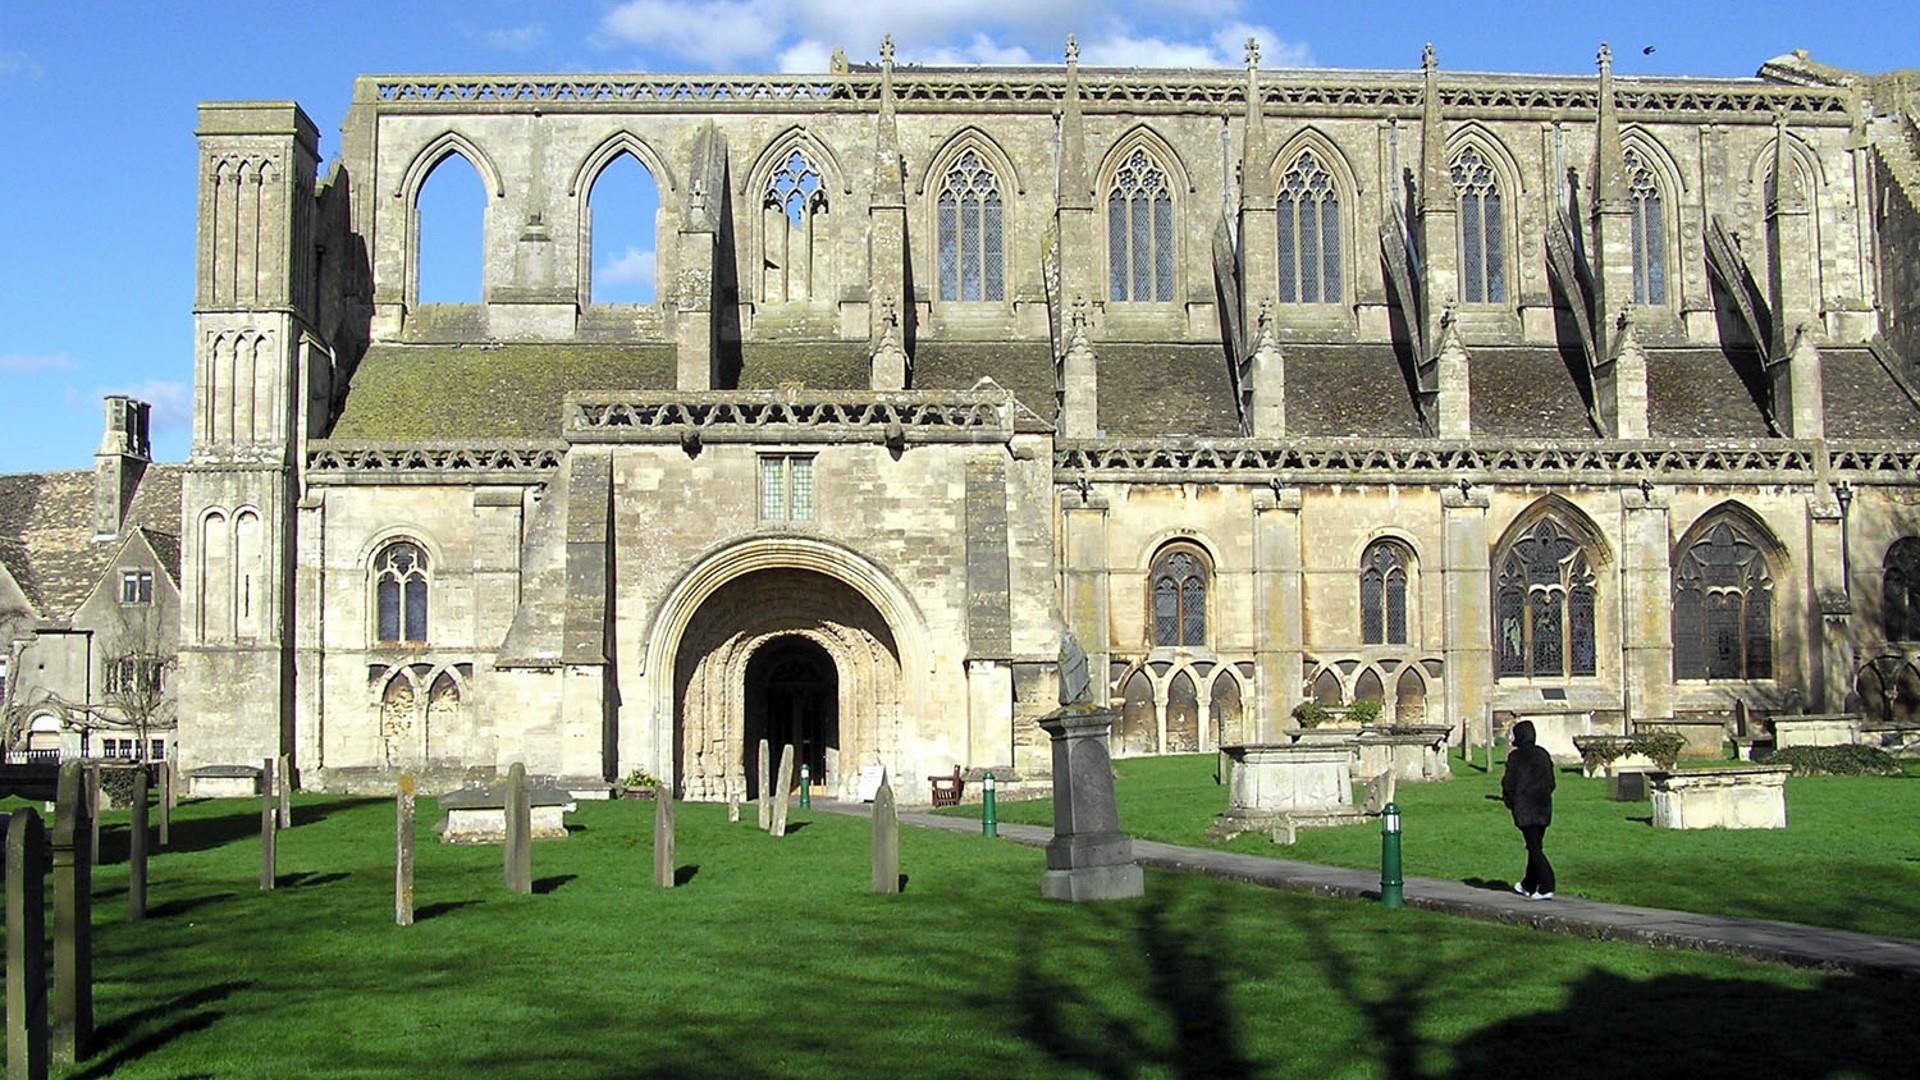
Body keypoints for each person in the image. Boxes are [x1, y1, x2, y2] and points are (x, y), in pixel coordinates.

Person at [1501, 720, 1557, 899]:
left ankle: (1547, 885)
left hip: (1525, 807)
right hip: (1543, 805)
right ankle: (1528, 884)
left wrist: (1510, 801)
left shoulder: (1516, 757)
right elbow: (1551, 782)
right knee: (1534, 844)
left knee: (1534, 848)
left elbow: (1509, 783)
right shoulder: (1542, 754)